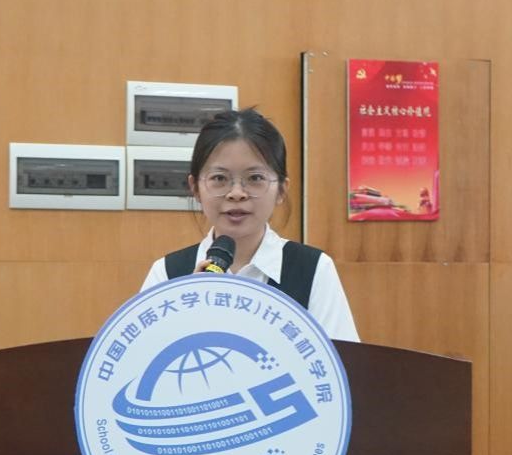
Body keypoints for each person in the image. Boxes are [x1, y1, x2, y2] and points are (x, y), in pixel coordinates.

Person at [141, 107, 360, 341]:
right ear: (195, 188)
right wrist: (185, 312)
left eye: (255, 178)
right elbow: (143, 357)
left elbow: (341, 360)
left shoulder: (314, 270)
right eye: (219, 178)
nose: (237, 193)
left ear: (281, 190)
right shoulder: (168, 274)